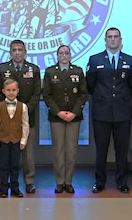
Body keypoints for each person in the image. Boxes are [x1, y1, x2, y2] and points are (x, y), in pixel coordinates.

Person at [86, 27, 132, 193]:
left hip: (122, 112)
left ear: (120, 40)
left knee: (121, 150)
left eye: (116, 37)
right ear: (105, 40)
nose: (113, 39)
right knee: (101, 150)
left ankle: (121, 181)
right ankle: (99, 182)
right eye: (110, 37)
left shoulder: (130, 60)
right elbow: (90, 85)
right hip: (101, 111)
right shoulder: (95, 60)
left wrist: (121, 97)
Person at [0, 39, 41, 194]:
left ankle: (29, 182)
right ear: (10, 52)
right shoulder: (2, 69)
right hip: (6, 119)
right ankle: (2, 182)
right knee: (4, 154)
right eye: (14, 50)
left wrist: (24, 111)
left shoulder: (33, 69)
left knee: (27, 152)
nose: (17, 52)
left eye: (20, 50)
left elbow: (36, 93)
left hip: (27, 117)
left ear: (25, 52)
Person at [43, 45, 88, 194]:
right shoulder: (50, 71)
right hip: (57, 117)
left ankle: (69, 182)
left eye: (66, 53)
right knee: (58, 150)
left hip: (74, 118)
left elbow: (83, 94)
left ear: (70, 55)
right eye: (61, 53)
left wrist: (74, 113)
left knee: (71, 151)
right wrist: (59, 112)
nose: (64, 55)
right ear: (57, 55)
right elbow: (47, 95)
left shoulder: (78, 71)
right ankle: (59, 182)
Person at [0, 79, 30, 198]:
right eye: (8, 90)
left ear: (18, 91)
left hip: (16, 140)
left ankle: (15, 188)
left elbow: (25, 124)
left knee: (15, 165)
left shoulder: (23, 107)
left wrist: (23, 140)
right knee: (3, 165)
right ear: (3, 91)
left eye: (13, 90)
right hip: (3, 140)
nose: (11, 93)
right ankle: (3, 188)